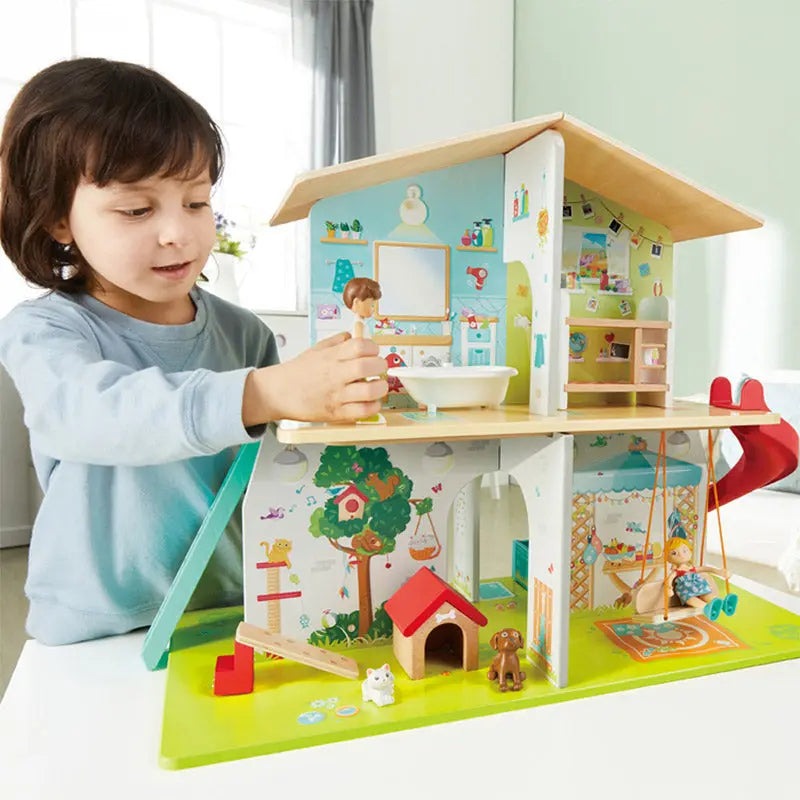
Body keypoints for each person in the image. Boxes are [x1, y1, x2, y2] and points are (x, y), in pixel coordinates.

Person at [0, 58, 387, 646]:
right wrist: (263, 392)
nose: (178, 233)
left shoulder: (243, 333)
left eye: (197, 202)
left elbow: (278, 470)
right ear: (59, 219)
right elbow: (93, 414)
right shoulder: (46, 331)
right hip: (98, 628)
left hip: (232, 612)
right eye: (137, 210)